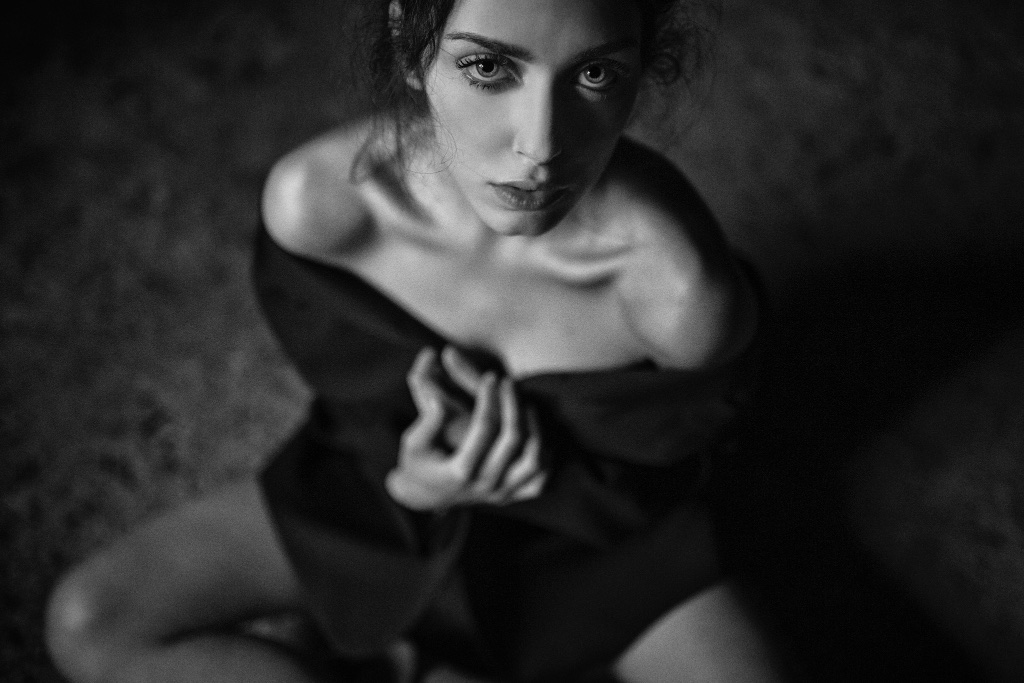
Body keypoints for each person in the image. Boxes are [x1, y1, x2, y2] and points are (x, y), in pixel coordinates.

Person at [45, 0, 784, 680]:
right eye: (487, 67)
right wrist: (412, 485)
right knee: (93, 622)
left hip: (596, 555)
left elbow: (679, 477)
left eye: (595, 74)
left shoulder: (680, 296)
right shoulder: (325, 208)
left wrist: (542, 479)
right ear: (411, 45)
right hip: (377, 496)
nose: (540, 146)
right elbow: (355, 409)